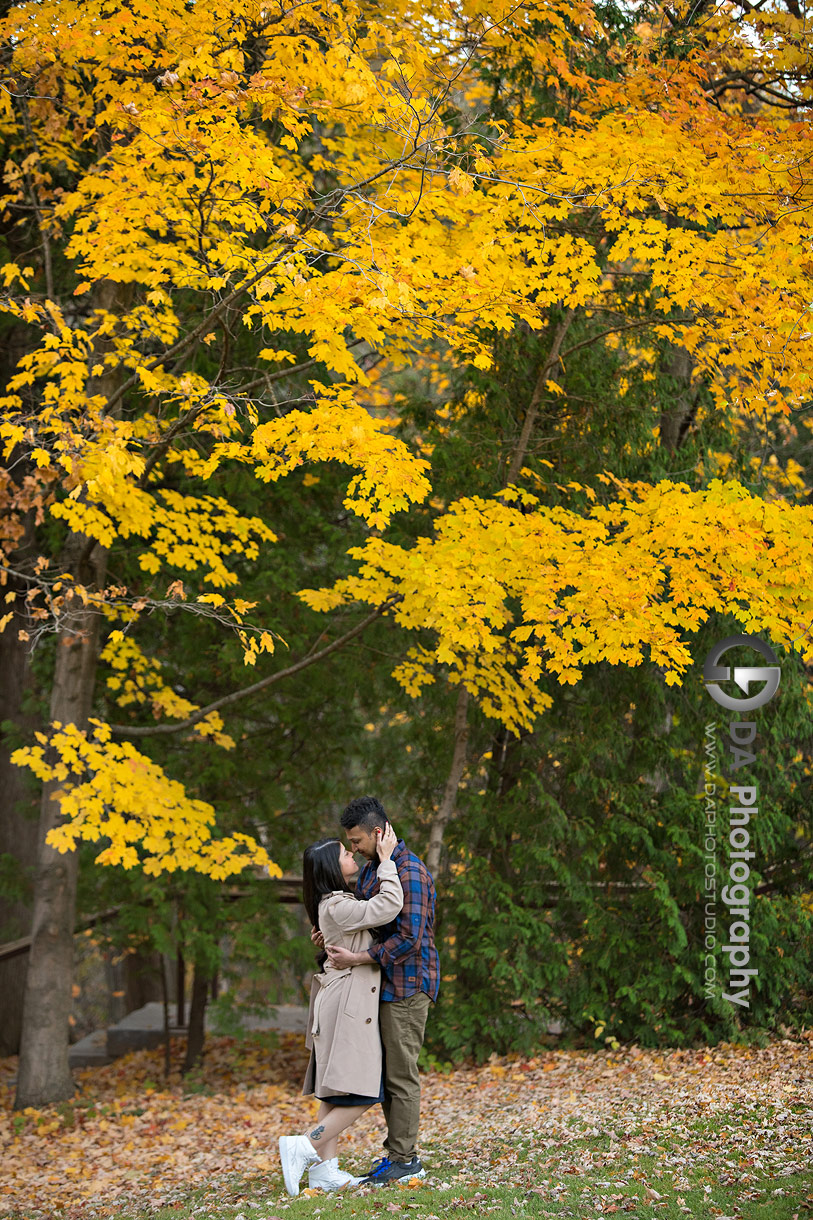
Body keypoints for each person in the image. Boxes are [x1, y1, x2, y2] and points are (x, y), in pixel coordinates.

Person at [278, 822, 403, 1197]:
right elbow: (388, 905)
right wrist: (386, 861)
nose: (351, 855)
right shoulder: (337, 903)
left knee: (331, 1092)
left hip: (337, 998)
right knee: (365, 1092)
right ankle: (304, 1145)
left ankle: (324, 1173)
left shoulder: (330, 904)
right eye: (345, 854)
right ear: (332, 869)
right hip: (348, 1002)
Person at [324, 796, 440, 1186]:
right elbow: (369, 919)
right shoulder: (377, 869)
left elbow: (409, 938)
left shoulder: (410, 872)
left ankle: (405, 1161)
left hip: (408, 985)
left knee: (401, 1077)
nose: (353, 849)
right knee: (388, 1075)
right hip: (383, 985)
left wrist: (358, 960)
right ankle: (398, 1156)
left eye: (356, 841)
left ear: (377, 832)